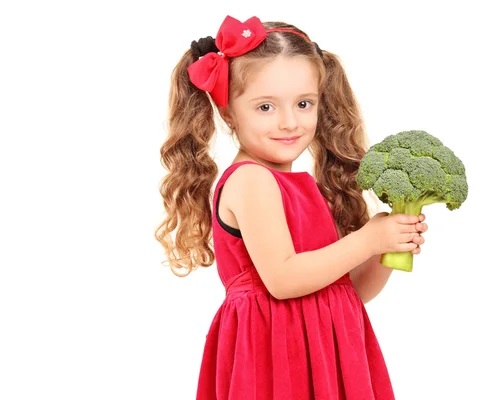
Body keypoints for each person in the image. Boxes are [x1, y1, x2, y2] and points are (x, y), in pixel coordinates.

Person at [155, 15, 428, 400]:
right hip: (277, 361)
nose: (289, 122)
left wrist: (387, 248)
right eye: (265, 107)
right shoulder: (251, 181)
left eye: (303, 104)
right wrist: (368, 240)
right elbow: (283, 280)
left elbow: (346, 292)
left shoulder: (304, 188)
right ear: (229, 111)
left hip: (325, 355)